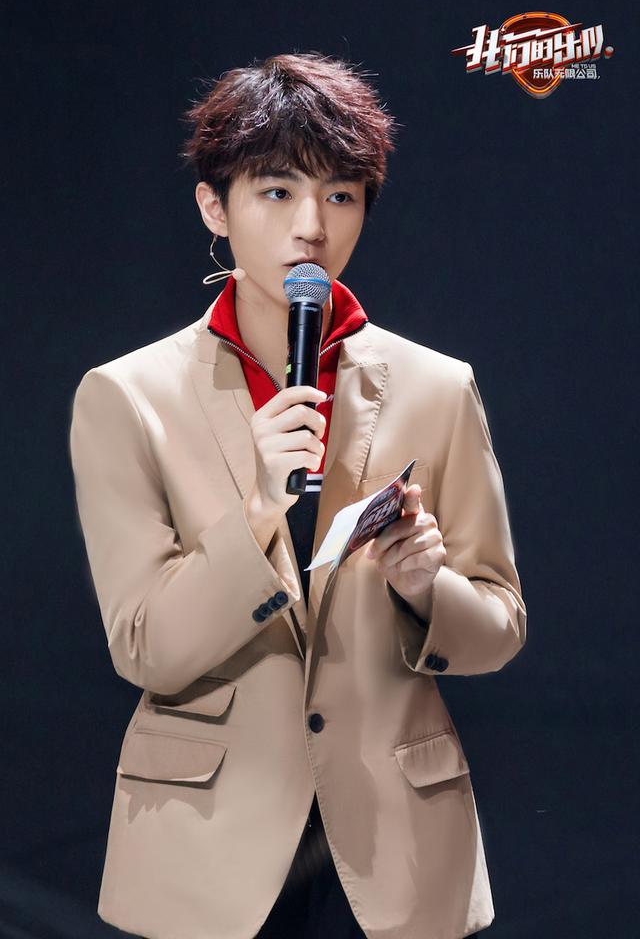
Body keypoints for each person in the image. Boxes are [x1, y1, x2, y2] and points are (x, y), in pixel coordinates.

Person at [69, 52, 527, 939]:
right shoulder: (127, 397)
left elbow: (500, 628)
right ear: (215, 206)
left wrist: (426, 590)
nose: (311, 226)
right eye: (277, 191)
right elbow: (146, 648)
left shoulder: (437, 389)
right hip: (207, 845)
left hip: (395, 848)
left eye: (340, 195)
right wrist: (255, 516)